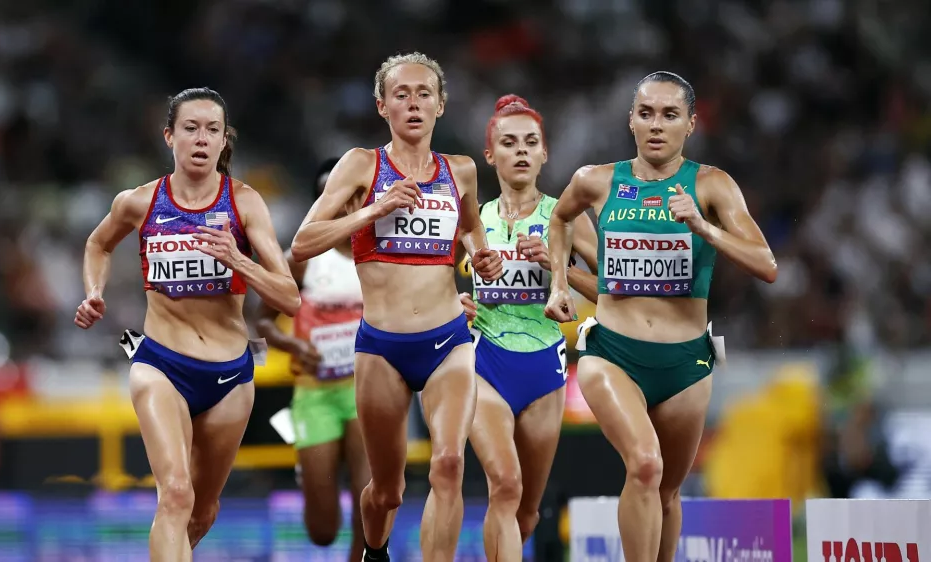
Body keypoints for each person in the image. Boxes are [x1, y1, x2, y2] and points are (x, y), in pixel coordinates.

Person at [545, 71, 778, 562]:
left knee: (669, 493)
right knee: (645, 466)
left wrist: (702, 226)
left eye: (670, 115)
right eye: (646, 113)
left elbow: (767, 265)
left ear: (690, 125)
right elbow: (561, 217)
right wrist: (560, 282)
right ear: (631, 119)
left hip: (686, 364)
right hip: (612, 354)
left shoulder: (712, 185)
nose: (656, 125)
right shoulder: (596, 180)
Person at [290, 52, 503, 562]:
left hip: (448, 339)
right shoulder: (362, 165)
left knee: (449, 463)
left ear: (441, 106)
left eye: (424, 93)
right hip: (381, 348)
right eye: (401, 94)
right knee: (386, 491)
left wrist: (480, 254)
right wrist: (376, 207)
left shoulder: (462, 170)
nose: (413, 103)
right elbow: (303, 241)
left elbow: (471, 226)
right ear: (382, 105)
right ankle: (376, 551)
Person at [74, 87, 301, 562]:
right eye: (191, 128)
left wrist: (239, 259)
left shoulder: (245, 203)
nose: (201, 139)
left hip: (229, 376)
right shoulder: (139, 202)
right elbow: (98, 245)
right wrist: (94, 292)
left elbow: (290, 298)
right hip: (160, 363)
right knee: (175, 494)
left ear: (223, 142)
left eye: (212, 130)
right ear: (169, 137)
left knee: (202, 509)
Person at [456, 94, 599, 561]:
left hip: (544, 369)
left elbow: (614, 293)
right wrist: (457, 304)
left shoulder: (567, 218)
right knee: (504, 484)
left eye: (530, 142)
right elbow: (438, 287)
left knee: (528, 512)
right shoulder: (471, 220)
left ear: (544, 153)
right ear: (489, 155)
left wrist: (561, 268)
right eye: (509, 142)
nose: (520, 151)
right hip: (485, 359)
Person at [256, 158, 370, 561]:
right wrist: (294, 347)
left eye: (348, 195)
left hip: (366, 390)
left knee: (369, 495)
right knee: (321, 532)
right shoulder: (301, 260)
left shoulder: (376, 254)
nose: (340, 205)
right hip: (315, 393)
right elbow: (262, 325)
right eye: (328, 196)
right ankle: (312, 477)